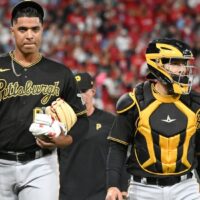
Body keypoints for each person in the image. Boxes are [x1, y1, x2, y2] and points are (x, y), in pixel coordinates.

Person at [0, 1, 88, 200]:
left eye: (35, 29)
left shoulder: (60, 73)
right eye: (22, 29)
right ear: (12, 30)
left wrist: (65, 140)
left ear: (42, 30)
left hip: (40, 165)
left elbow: (82, 120)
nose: (29, 35)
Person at [105, 38, 200, 200]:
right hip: (143, 189)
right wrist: (112, 185)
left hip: (186, 187)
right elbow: (118, 147)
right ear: (157, 63)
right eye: (176, 63)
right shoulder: (134, 102)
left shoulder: (195, 103)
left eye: (184, 64)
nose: (183, 69)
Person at [59, 72, 129, 200]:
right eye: (75, 92)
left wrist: (123, 188)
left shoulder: (110, 121)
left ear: (93, 91)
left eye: (84, 91)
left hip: (101, 194)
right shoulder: (60, 123)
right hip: (67, 194)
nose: (80, 96)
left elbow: (120, 156)